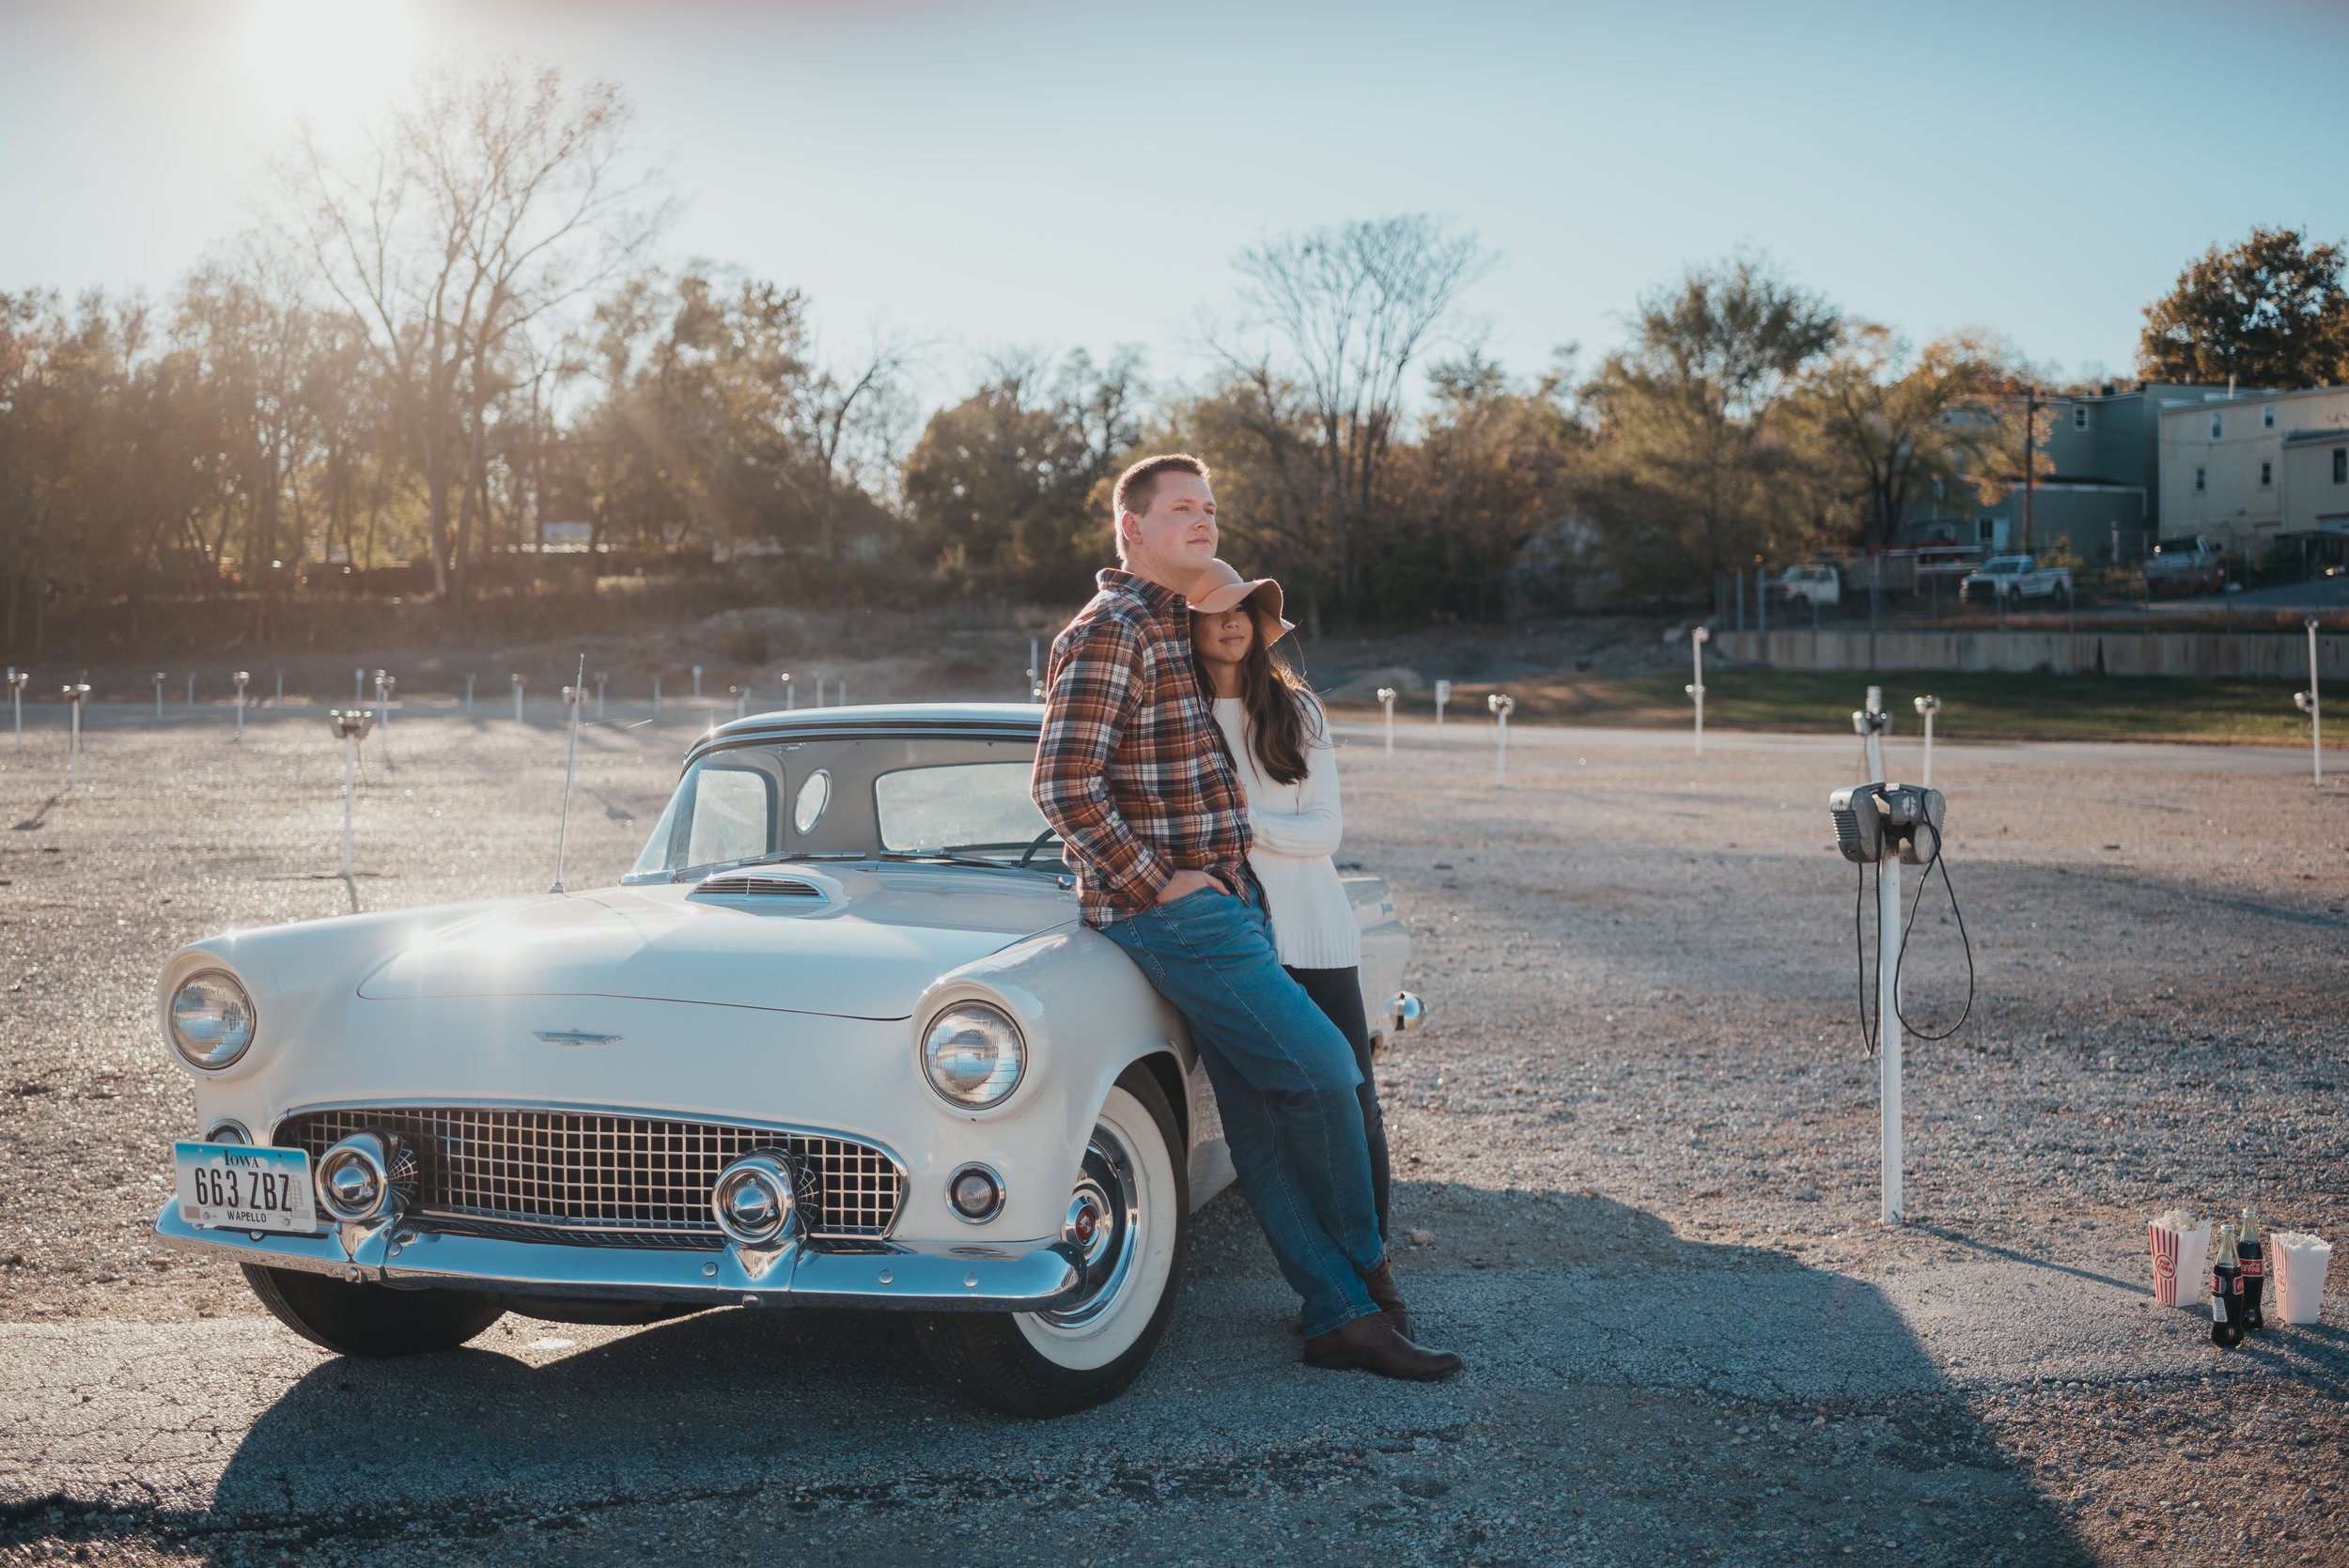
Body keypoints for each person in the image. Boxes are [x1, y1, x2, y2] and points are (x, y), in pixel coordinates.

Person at [1031, 453, 1460, 1382]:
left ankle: (1337, 1314)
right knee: (1324, 1068)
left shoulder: (1171, 629)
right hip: (1180, 916)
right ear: (1129, 528)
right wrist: (1155, 880)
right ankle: (1367, 1271)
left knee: (1262, 1120)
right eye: (1182, 508)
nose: (1204, 521)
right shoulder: (1110, 629)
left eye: (1210, 508)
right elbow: (1062, 783)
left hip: (1233, 903)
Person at [1186, 559, 1395, 1265]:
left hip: (1317, 928)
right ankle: (1321, 1269)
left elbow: (1326, 832)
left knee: (1352, 1099)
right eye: (1215, 611)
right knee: (1272, 1116)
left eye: (1243, 608)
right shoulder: (1177, 717)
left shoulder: (1295, 707)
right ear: (1190, 626)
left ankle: (1376, 1260)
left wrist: (1244, 827)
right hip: (1237, 940)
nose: (1232, 621)